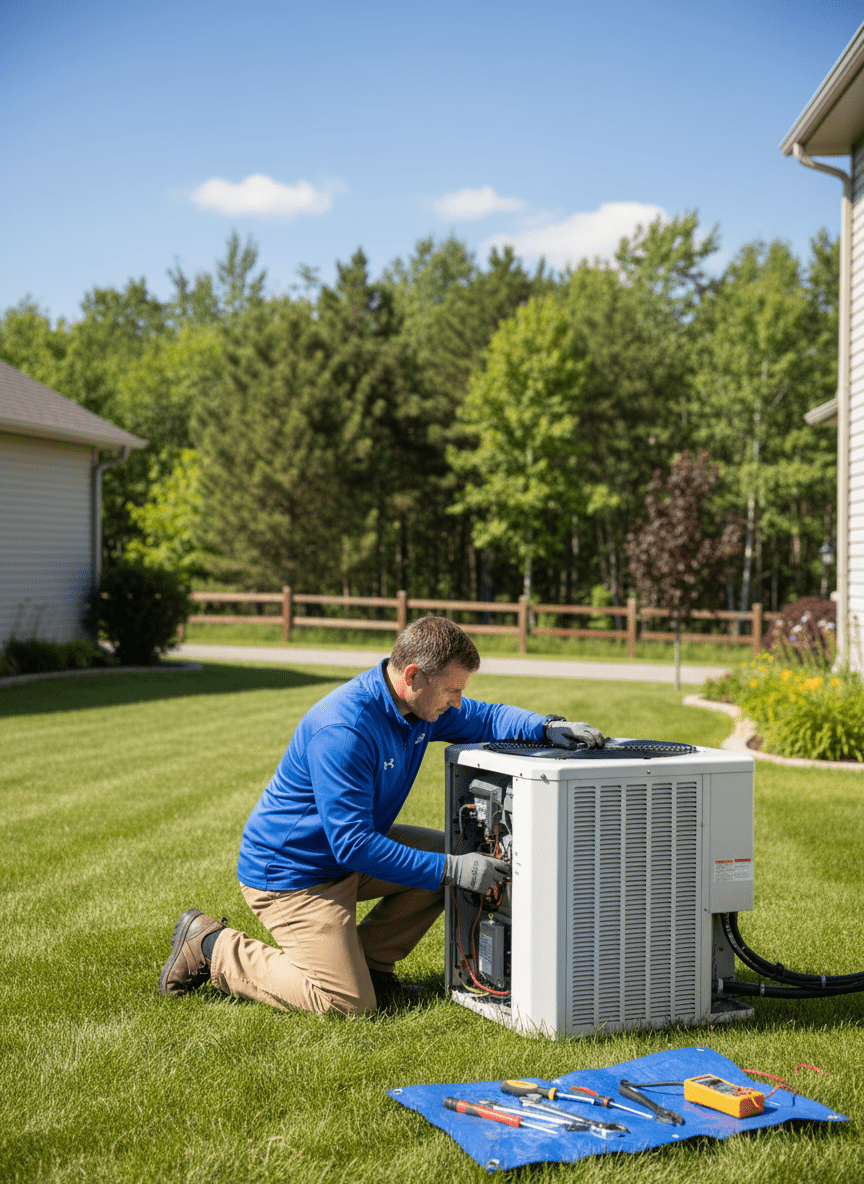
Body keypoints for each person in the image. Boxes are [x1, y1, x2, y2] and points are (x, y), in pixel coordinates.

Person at [158, 616, 604, 1014]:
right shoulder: (345, 729)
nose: (458, 701)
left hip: (342, 859)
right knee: (345, 1003)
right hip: (293, 875)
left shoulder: (420, 707)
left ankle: (371, 966)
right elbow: (351, 844)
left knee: (448, 855)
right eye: (453, 690)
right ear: (413, 676)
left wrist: (545, 727)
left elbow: (485, 718)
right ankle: (212, 946)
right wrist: (452, 869)